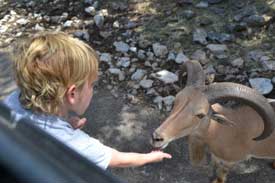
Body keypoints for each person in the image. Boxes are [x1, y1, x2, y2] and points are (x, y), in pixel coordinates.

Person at [3, 32, 171, 170]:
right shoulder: (71, 142)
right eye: (91, 85)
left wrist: (64, 122)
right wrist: (149, 157)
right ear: (73, 94)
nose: (93, 89)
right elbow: (117, 159)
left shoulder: (14, 100)